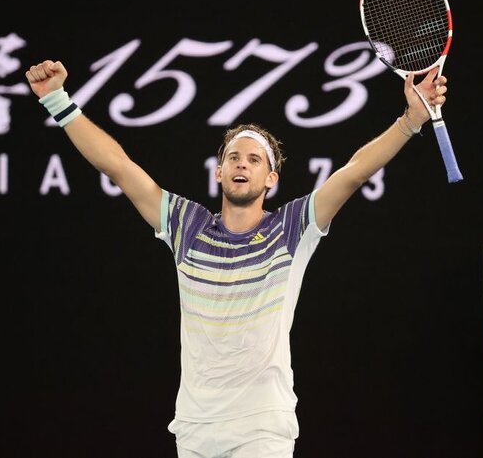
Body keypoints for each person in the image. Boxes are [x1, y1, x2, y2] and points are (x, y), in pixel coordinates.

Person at [25, 59, 447, 458]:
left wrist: (410, 121)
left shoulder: (292, 228)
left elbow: (353, 172)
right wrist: (57, 100)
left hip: (262, 427)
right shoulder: (185, 225)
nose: (242, 164)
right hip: (195, 428)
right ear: (219, 172)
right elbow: (118, 166)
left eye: (253, 159)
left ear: (271, 178)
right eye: (233, 158)